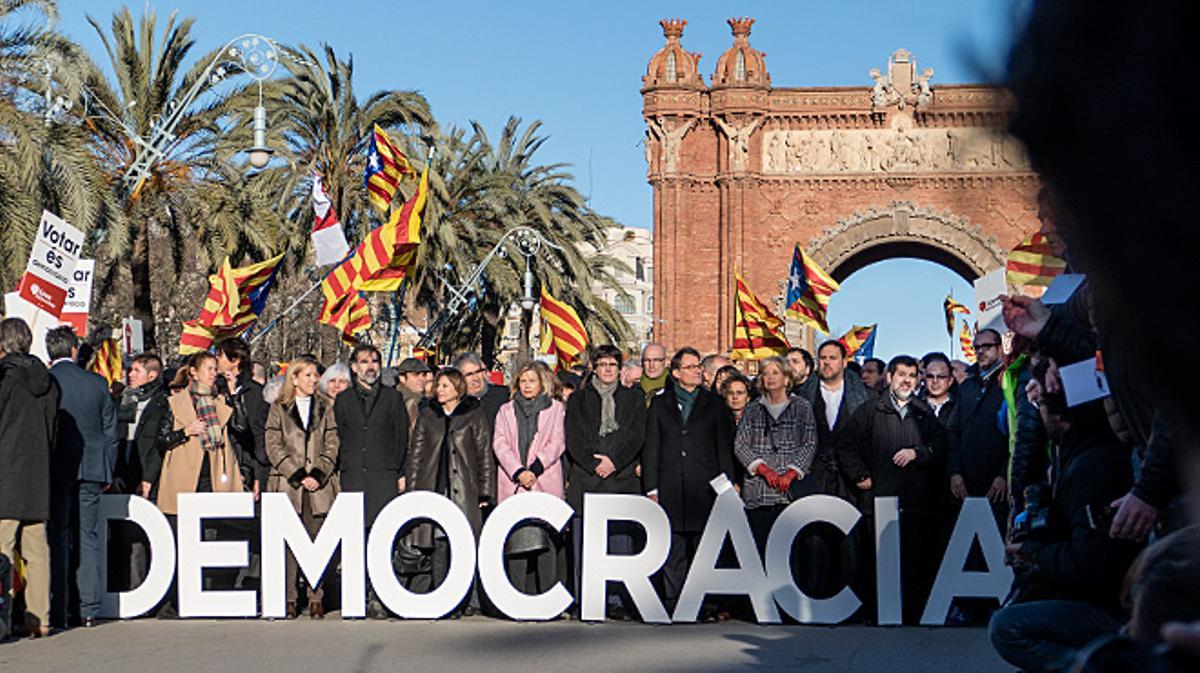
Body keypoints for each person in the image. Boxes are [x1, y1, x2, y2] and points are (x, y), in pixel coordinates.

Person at [987, 358, 1141, 673]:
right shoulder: (1074, 458)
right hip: (1098, 598)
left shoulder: (1091, 468)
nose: (1037, 412)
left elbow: (1092, 564)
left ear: (1061, 413)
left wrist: (1035, 553)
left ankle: (1096, 667)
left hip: (1109, 609)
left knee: (1006, 628)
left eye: (1041, 402)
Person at [837, 355, 947, 624]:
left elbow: (940, 446)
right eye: (901, 375)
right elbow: (845, 445)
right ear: (889, 378)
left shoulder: (923, 413)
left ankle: (912, 614)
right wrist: (859, 475)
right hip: (878, 500)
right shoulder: (869, 411)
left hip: (914, 501)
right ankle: (877, 613)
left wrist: (917, 453)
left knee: (913, 559)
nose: (907, 381)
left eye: (912, 376)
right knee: (876, 560)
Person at [643, 347, 735, 616]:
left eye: (698, 367)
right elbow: (652, 447)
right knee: (673, 548)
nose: (698, 371)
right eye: (691, 367)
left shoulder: (714, 404)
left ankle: (703, 604)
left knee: (703, 547)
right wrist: (651, 487)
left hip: (704, 486)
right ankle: (675, 602)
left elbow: (723, 447)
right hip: (670, 483)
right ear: (676, 373)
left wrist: (726, 484)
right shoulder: (661, 404)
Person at [565, 345, 646, 618]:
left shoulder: (634, 398)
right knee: (585, 544)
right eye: (602, 365)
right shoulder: (578, 400)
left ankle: (617, 601)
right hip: (587, 480)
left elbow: (636, 435)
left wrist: (614, 462)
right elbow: (573, 438)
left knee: (619, 544)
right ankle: (585, 599)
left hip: (621, 479)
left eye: (612, 364)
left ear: (620, 368)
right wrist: (593, 463)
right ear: (594, 368)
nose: (608, 369)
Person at [45, 326, 117, 628]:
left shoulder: (47, 383)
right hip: (90, 468)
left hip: (56, 468)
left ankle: (59, 607)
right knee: (88, 537)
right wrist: (108, 471)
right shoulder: (97, 383)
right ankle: (88, 608)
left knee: (58, 537)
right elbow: (110, 432)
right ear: (74, 350)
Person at [407, 368, 495, 617]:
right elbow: (416, 456)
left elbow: (484, 457)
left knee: (462, 544)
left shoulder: (474, 415)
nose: (439, 389)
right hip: (434, 487)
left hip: (464, 491)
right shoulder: (427, 416)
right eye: (438, 385)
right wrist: (413, 492)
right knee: (437, 543)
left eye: (445, 385)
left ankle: (465, 599)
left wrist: (485, 493)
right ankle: (441, 597)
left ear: (458, 388)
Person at [793, 339, 874, 601]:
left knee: (851, 537)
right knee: (815, 537)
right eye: (822, 358)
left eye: (832, 358)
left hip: (851, 480)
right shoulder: (802, 396)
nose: (826, 363)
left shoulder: (864, 396)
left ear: (844, 361)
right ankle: (818, 595)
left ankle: (850, 598)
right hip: (814, 477)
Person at [333, 345, 409, 618]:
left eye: (375, 361)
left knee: (381, 536)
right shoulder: (343, 400)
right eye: (364, 362)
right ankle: (358, 594)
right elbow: (338, 437)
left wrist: (399, 471)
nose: (370, 366)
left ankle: (380, 595)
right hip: (353, 476)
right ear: (353, 367)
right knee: (356, 539)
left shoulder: (393, 398)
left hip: (383, 476)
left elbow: (401, 437)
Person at [265, 355, 339, 620]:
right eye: (308, 375)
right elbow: (273, 444)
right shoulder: (279, 407)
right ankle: (289, 598)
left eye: (316, 374)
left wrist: (319, 473)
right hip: (288, 484)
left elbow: (332, 441)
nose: (314, 379)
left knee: (316, 538)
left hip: (319, 486)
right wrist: (296, 473)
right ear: (294, 378)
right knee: (289, 544)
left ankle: (316, 596)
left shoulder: (325, 407)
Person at [0, 318, 59, 638]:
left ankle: (3, 619)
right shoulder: (48, 381)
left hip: (5, 472)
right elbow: (53, 429)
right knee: (37, 551)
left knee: (2, 550)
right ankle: (40, 618)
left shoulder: (4, 379)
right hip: (38, 472)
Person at [492, 361, 566, 600]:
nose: (527, 385)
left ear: (542, 383)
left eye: (532, 381)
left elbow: (557, 442)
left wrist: (534, 469)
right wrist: (518, 471)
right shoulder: (505, 410)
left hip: (544, 480)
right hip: (514, 483)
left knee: (546, 539)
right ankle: (517, 596)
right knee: (517, 539)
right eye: (523, 381)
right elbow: (500, 443)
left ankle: (547, 595)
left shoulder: (556, 409)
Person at [734, 355, 818, 551]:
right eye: (765, 373)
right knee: (761, 547)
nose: (770, 377)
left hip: (791, 491)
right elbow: (741, 445)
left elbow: (809, 443)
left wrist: (791, 472)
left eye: (775, 373)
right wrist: (764, 470)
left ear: (786, 378)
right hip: (759, 490)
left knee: (792, 551)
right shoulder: (753, 409)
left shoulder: (802, 407)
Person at [113, 353, 170, 592]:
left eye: (137, 370)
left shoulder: (161, 402)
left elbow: (158, 444)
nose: (131, 374)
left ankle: (141, 585)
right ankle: (122, 584)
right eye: (131, 369)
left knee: (141, 535)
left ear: (152, 375)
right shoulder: (123, 400)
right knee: (120, 534)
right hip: (122, 471)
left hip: (145, 474)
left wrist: (149, 477)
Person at [947, 328, 1010, 522]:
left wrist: (1004, 474)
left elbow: (1017, 434)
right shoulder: (967, 386)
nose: (980, 351)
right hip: (967, 484)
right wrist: (955, 472)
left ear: (1000, 348)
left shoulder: (1009, 380)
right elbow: (953, 430)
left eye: (987, 346)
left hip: (999, 486)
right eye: (977, 347)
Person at [453, 353, 508, 431]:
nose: (476, 378)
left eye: (478, 372)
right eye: (469, 374)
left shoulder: (502, 395)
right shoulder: (456, 403)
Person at [920, 353, 956, 421]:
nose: (935, 381)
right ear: (924, 379)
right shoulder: (913, 406)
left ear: (950, 380)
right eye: (930, 376)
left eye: (941, 377)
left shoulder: (960, 406)